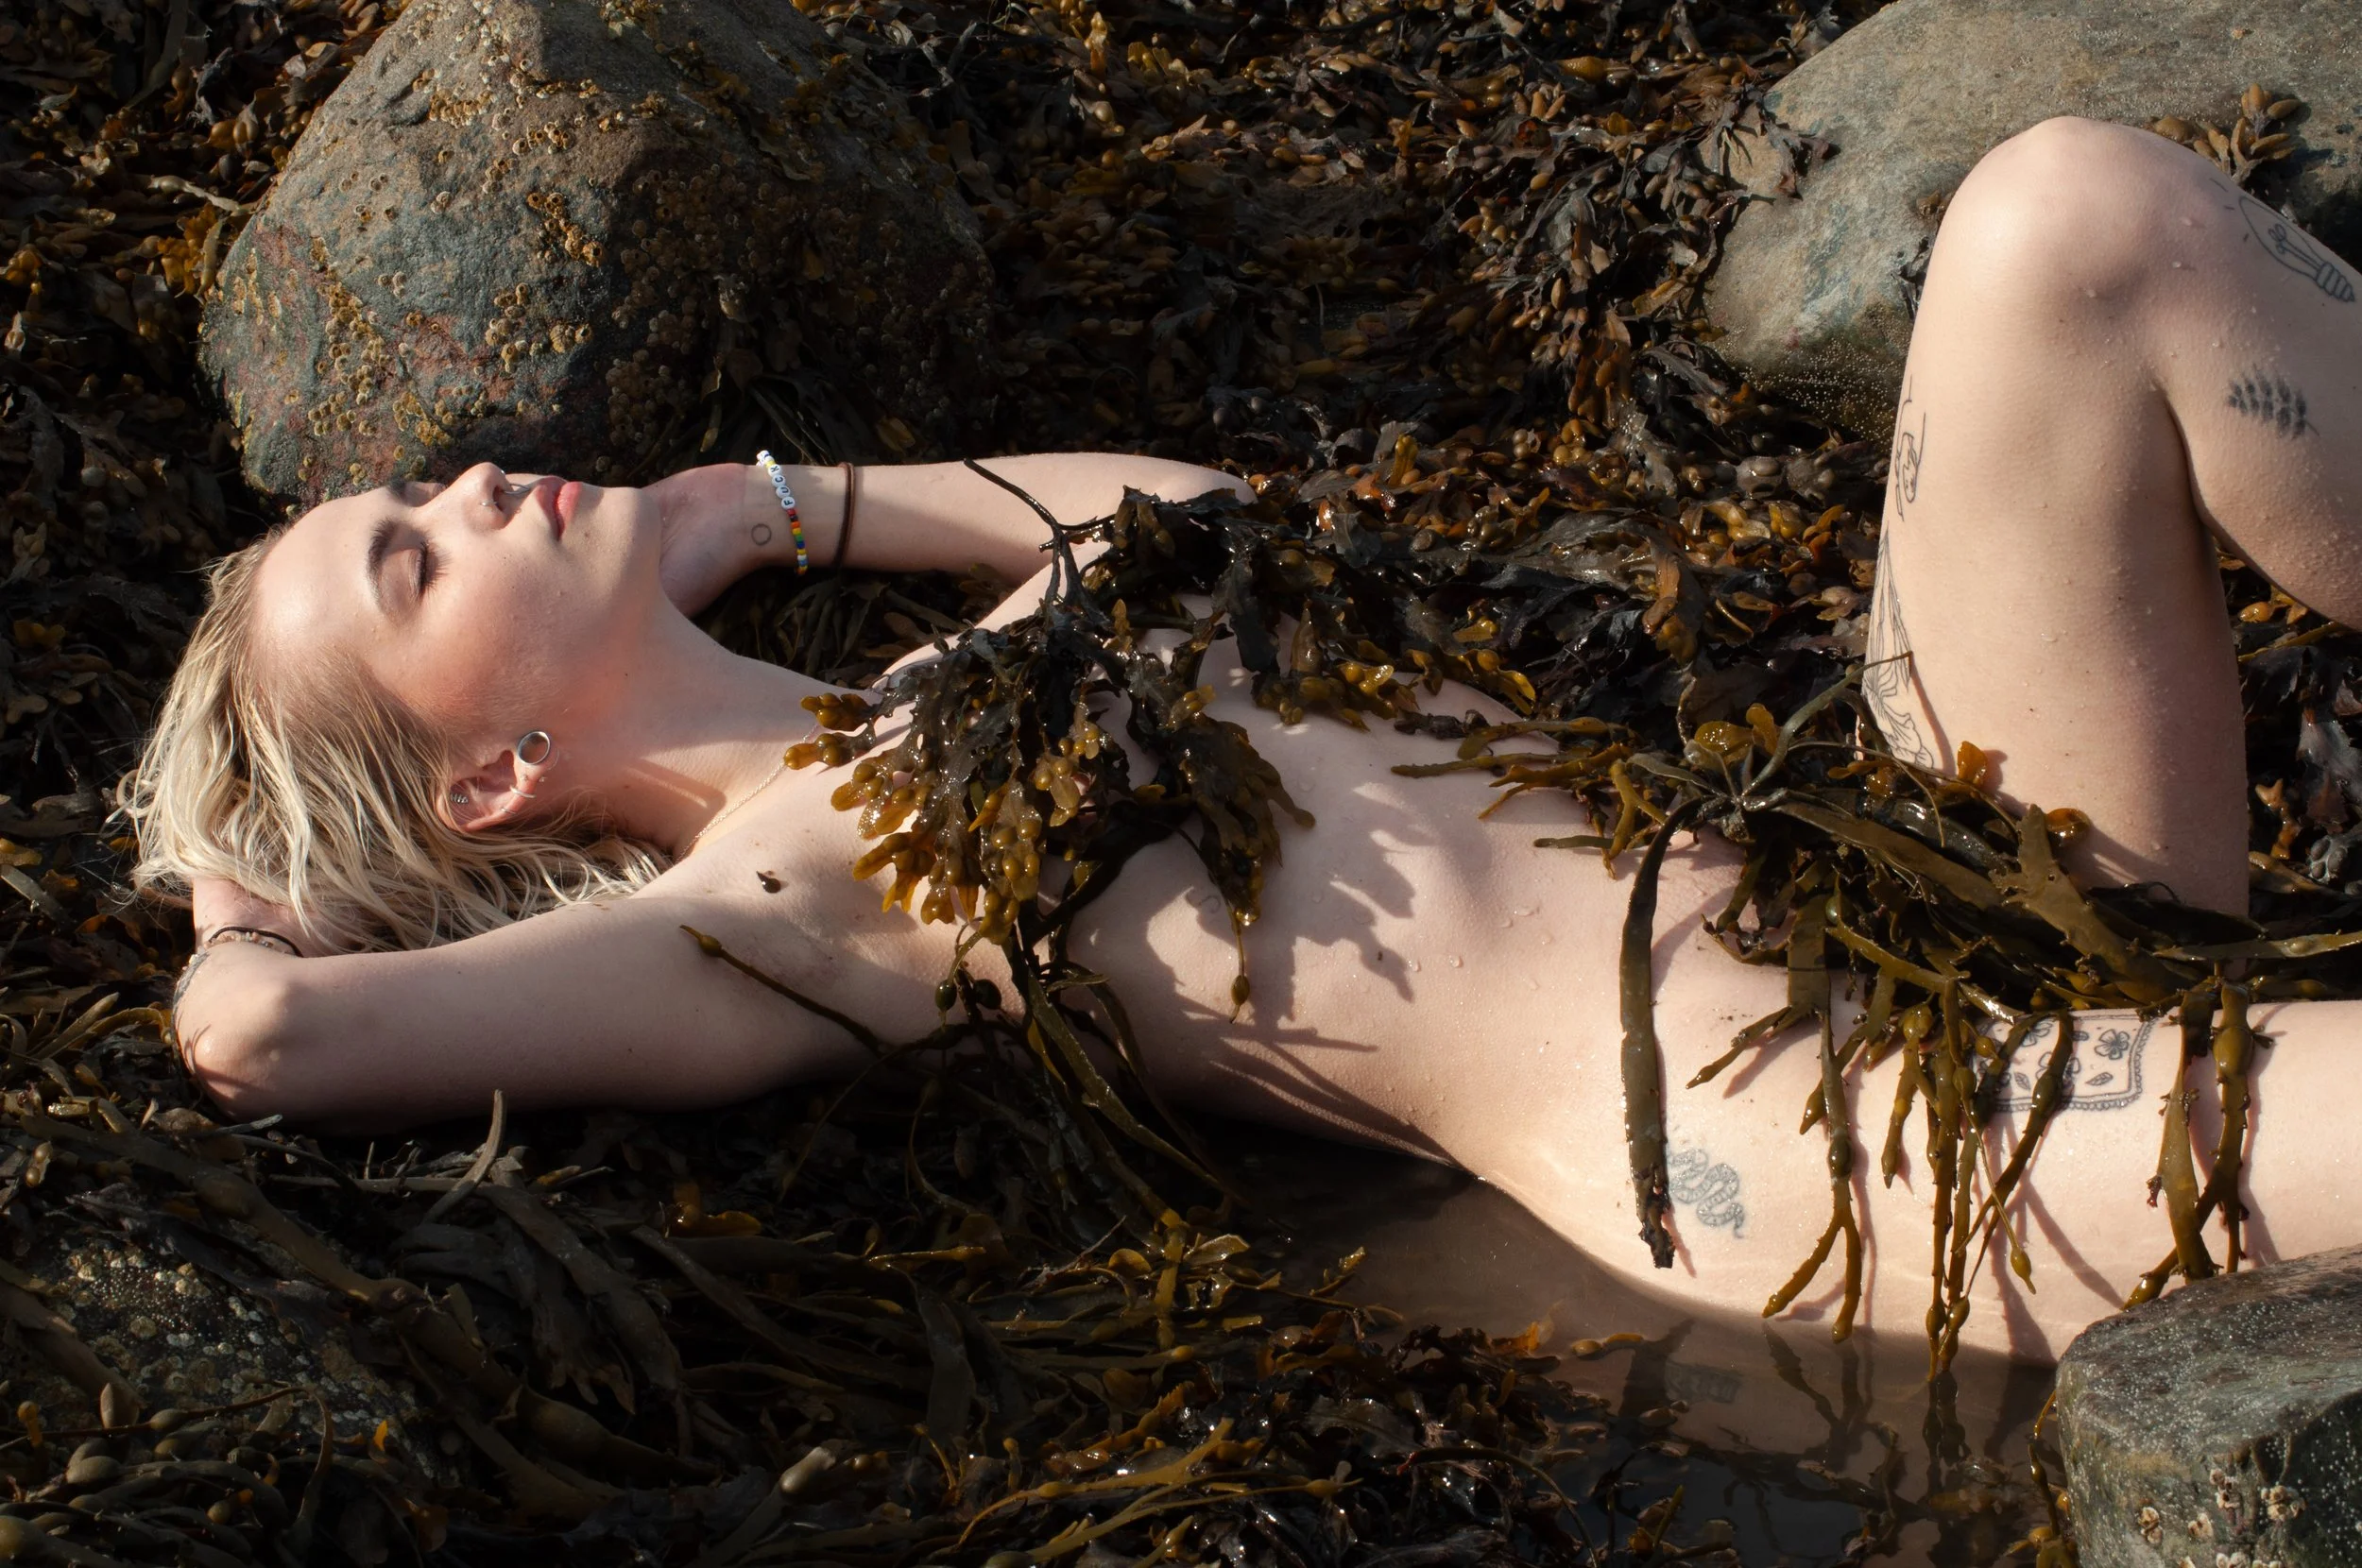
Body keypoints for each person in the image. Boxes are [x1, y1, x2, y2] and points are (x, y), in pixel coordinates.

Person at [130, 117, 2362, 1362]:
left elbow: (1202, 518)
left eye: (413, 493)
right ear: (488, 778)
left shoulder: (973, 667)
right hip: (1878, 1132)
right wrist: (241, 888)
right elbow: (265, 1040)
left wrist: (782, 501)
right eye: (415, 564)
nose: (469, 490)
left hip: (1937, 870)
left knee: (2068, 218)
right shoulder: (787, 904)